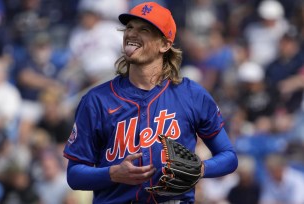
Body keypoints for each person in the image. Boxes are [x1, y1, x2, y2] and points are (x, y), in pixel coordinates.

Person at [63, 2, 238, 203]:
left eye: (144, 29)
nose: (132, 34)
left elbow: (229, 157)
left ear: (164, 44)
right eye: (129, 28)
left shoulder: (191, 94)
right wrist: (112, 173)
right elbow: (74, 174)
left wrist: (200, 169)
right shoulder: (96, 100)